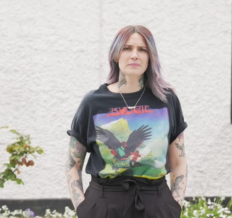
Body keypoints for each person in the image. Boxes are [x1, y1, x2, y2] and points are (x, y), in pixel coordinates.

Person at [65, 25, 187, 218]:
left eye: (142, 49)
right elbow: (73, 164)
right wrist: (83, 208)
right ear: (115, 55)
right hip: (103, 205)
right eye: (127, 48)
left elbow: (178, 162)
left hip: (156, 205)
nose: (135, 55)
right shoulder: (93, 102)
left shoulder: (166, 100)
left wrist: (174, 206)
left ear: (150, 57)